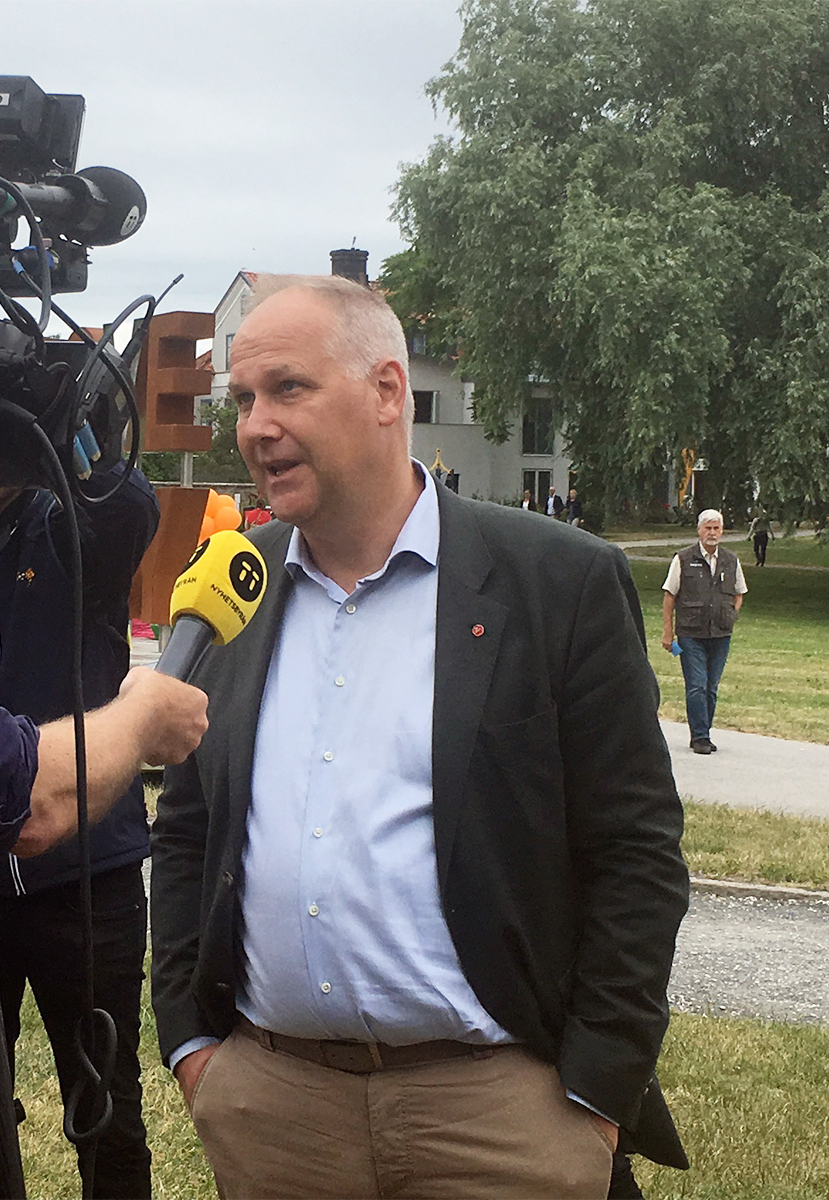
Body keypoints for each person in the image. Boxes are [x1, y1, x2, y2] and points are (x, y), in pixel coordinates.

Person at [150, 277, 688, 1199]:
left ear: (388, 391)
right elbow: (190, 828)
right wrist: (192, 1047)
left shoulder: (558, 582)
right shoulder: (233, 584)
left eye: (287, 389)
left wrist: (596, 1093)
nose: (254, 427)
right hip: (274, 1112)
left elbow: (635, 851)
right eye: (241, 400)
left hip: (500, 1116)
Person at [0, 462, 160, 1200]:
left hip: (86, 872)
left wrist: (58, 440)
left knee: (106, 1109)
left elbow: (128, 504)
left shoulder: (65, 521)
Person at [661, 509, 746, 755]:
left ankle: (703, 731)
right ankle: (700, 737)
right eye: (707, 528)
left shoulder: (731, 560)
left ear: (722, 531)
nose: (712, 533)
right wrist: (668, 633)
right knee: (697, 685)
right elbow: (669, 596)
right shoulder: (683, 559)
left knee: (711, 687)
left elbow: (739, 593)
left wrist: (730, 615)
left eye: (716, 528)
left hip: (720, 635)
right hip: (690, 635)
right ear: (699, 530)